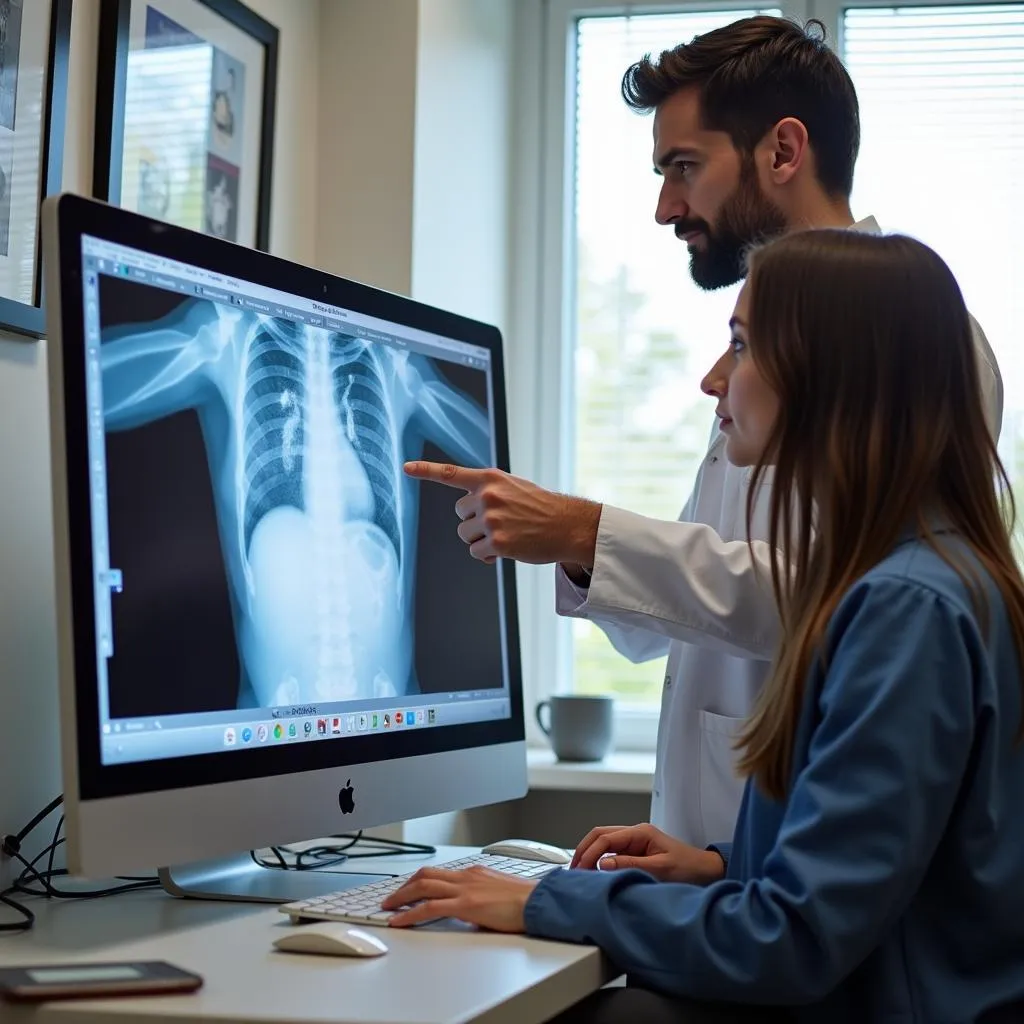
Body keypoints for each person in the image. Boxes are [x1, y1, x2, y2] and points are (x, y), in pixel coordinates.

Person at [386, 230, 1024, 1023]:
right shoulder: (935, 571)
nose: (712, 377)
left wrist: (551, 900)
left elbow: (791, 940)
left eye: (742, 345)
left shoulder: (905, 608)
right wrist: (720, 865)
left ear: (835, 379)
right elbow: (888, 871)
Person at [403, 15, 1003, 849]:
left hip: (799, 889)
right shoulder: (761, 353)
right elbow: (690, 599)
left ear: (783, 152)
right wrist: (573, 546)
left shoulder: (919, 345)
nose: (664, 207)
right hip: (720, 867)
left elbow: (868, 605)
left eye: (684, 167)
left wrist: (587, 527)